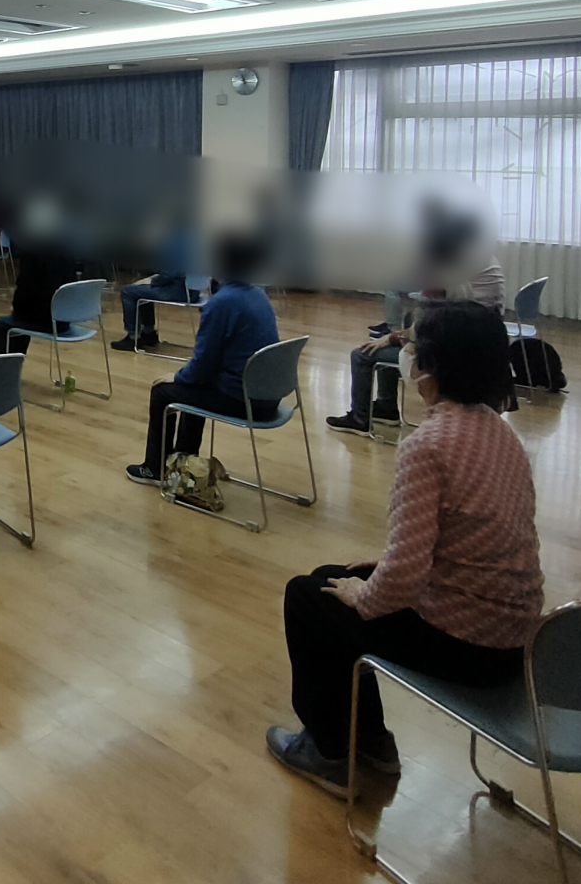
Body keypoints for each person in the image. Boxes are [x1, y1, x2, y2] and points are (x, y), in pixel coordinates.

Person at [267, 300, 542, 796]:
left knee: (307, 598)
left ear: (429, 371)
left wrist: (366, 594)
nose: (407, 356)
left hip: (467, 644)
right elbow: (481, 536)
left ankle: (329, 752)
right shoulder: (501, 435)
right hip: (513, 638)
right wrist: (377, 574)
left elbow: (403, 579)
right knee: (332, 576)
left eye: (414, 348)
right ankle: (370, 738)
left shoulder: (428, 444)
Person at [124, 272, 281, 485]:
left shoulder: (221, 302)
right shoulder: (258, 294)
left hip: (245, 400)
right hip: (269, 397)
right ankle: (184, 464)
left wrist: (177, 377)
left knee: (162, 391)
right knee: (195, 389)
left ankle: (154, 468)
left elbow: (202, 366)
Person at [328, 256, 507, 436]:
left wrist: (390, 338)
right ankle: (385, 407)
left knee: (362, 354)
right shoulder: (461, 280)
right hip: (460, 348)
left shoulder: (436, 284)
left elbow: (420, 332)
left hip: (439, 357)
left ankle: (360, 418)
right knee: (389, 342)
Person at [0, 248, 77, 355]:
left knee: (3, 323)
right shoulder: (68, 251)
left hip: (45, 321)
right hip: (64, 320)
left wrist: (16, 309)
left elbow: (23, 295)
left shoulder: (32, 253)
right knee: (20, 320)